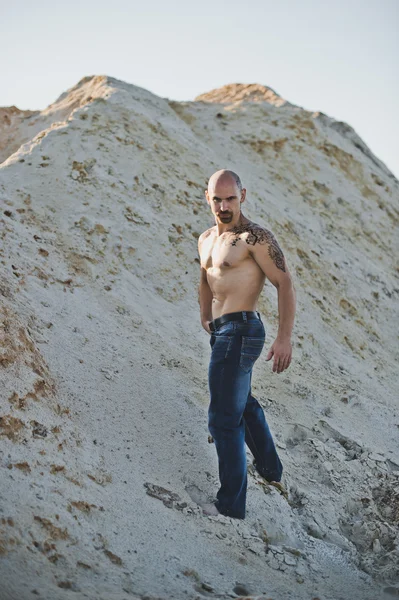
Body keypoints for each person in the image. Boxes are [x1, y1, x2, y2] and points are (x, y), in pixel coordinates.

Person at [197, 169, 296, 519]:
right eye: (218, 199)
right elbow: (206, 277)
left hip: (242, 331)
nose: (224, 206)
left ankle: (230, 506)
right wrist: (205, 314)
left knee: (223, 420)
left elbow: (284, 283)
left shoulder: (255, 238)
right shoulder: (206, 238)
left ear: (243, 195)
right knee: (243, 403)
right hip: (221, 332)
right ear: (207, 197)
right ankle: (272, 471)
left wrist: (284, 338)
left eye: (231, 199)